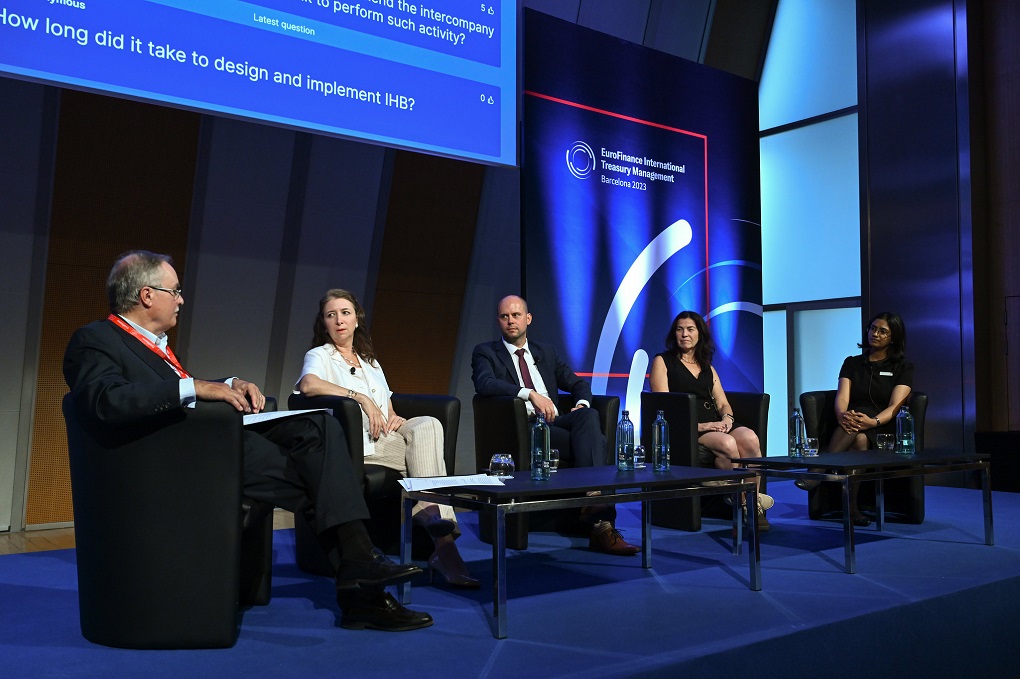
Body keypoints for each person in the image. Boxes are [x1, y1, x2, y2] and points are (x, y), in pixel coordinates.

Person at [63, 251, 432, 632]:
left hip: (205, 442)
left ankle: (358, 569)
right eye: (175, 291)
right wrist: (196, 386)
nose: (181, 299)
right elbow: (105, 401)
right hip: (173, 460)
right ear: (146, 295)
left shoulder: (154, 343)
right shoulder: (95, 340)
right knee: (317, 475)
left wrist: (226, 384)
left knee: (317, 427)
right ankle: (362, 580)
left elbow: (170, 388)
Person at [294, 289, 478, 588]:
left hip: (384, 435)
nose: (339, 320)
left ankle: (435, 524)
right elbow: (308, 385)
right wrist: (360, 398)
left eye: (345, 313)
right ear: (324, 324)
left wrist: (393, 415)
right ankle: (444, 543)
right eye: (331, 315)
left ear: (356, 319)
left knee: (428, 424)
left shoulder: (370, 361)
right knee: (420, 452)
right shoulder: (319, 356)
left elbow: (387, 403)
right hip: (355, 442)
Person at [471, 295, 640, 556]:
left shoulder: (544, 352)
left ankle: (593, 500)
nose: (510, 321)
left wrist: (581, 403)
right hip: (521, 427)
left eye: (516, 315)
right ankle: (601, 521)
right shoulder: (486, 352)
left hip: (555, 420)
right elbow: (485, 384)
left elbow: (577, 384)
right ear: (498, 321)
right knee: (599, 441)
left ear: (528, 319)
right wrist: (529, 394)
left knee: (589, 416)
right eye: (504, 317)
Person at [648, 311, 774, 531]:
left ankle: (752, 503)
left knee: (751, 439)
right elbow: (663, 405)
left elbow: (723, 402)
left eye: (690, 329)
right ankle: (745, 503)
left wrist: (727, 418)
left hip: (716, 424)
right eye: (679, 329)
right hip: (689, 427)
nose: (684, 334)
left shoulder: (708, 367)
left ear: (700, 334)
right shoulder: (663, 361)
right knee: (728, 444)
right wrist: (701, 426)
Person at [796, 312, 914, 526]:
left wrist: (873, 422)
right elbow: (842, 397)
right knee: (858, 438)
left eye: (882, 331)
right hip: (851, 421)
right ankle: (851, 509)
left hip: (882, 426)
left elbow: (894, 407)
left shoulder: (902, 367)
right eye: (873, 328)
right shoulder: (852, 363)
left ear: (893, 337)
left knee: (860, 432)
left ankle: (819, 468)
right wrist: (842, 415)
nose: (875, 334)